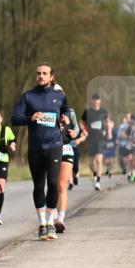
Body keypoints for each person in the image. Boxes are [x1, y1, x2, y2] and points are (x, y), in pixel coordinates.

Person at [10, 63, 71, 241]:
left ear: (51, 77)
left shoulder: (59, 96)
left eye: (44, 73)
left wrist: (65, 117)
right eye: (38, 73)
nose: (41, 76)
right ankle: (42, 223)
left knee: (53, 184)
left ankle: (51, 221)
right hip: (35, 148)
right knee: (38, 185)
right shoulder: (28, 97)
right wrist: (30, 118)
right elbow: (15, 118)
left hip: (54, 145)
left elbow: (66, 109)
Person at [55, 94, 79, 234]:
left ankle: (60, 219)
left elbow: (76, 128)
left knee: (62, 185)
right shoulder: (47, 111)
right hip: (51, 150)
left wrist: (74, 133)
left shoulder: (70, 112)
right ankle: (50, 215)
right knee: (53, 185)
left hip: (66, 148)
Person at [80, 94, 108, 191]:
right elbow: (81, 122)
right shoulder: (87, 112)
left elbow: (107, 122)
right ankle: (95, 175)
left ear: (99, 101)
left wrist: (108, 133)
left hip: (100, 138)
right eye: (94, 100)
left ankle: (98, 181)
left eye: (97, 100)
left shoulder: (103, 112)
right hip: (90, 138)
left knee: (98, 159)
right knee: (91, 162)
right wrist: (83, 130)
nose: (96, 102)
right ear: (92, 101)